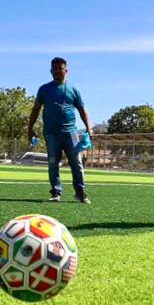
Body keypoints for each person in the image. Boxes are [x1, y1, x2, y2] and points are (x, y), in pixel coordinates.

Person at [27, 57, 93, 203]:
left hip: (72, 132)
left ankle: (80, 192)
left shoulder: (73, 89)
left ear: (66, 70)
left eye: (60, 68)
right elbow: (36, 109)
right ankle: (56, 191)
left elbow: (82, 109)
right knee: (53, 163)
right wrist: (30, 129)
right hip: (51, 133)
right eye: (54, 69)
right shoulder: (44, 89)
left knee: (77, 163)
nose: (57, 71)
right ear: (51, 71)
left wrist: (89, 127)